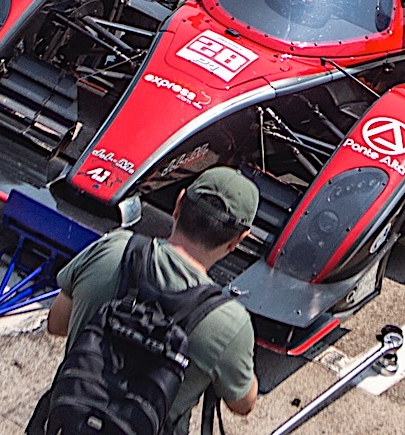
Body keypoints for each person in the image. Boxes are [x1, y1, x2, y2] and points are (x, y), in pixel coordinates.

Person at [38, 168, 259, 433]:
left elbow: (57, 323)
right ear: (238, 240)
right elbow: (242, 403)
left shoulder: (113, 250)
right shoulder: (229, 323)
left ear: (178, 205)